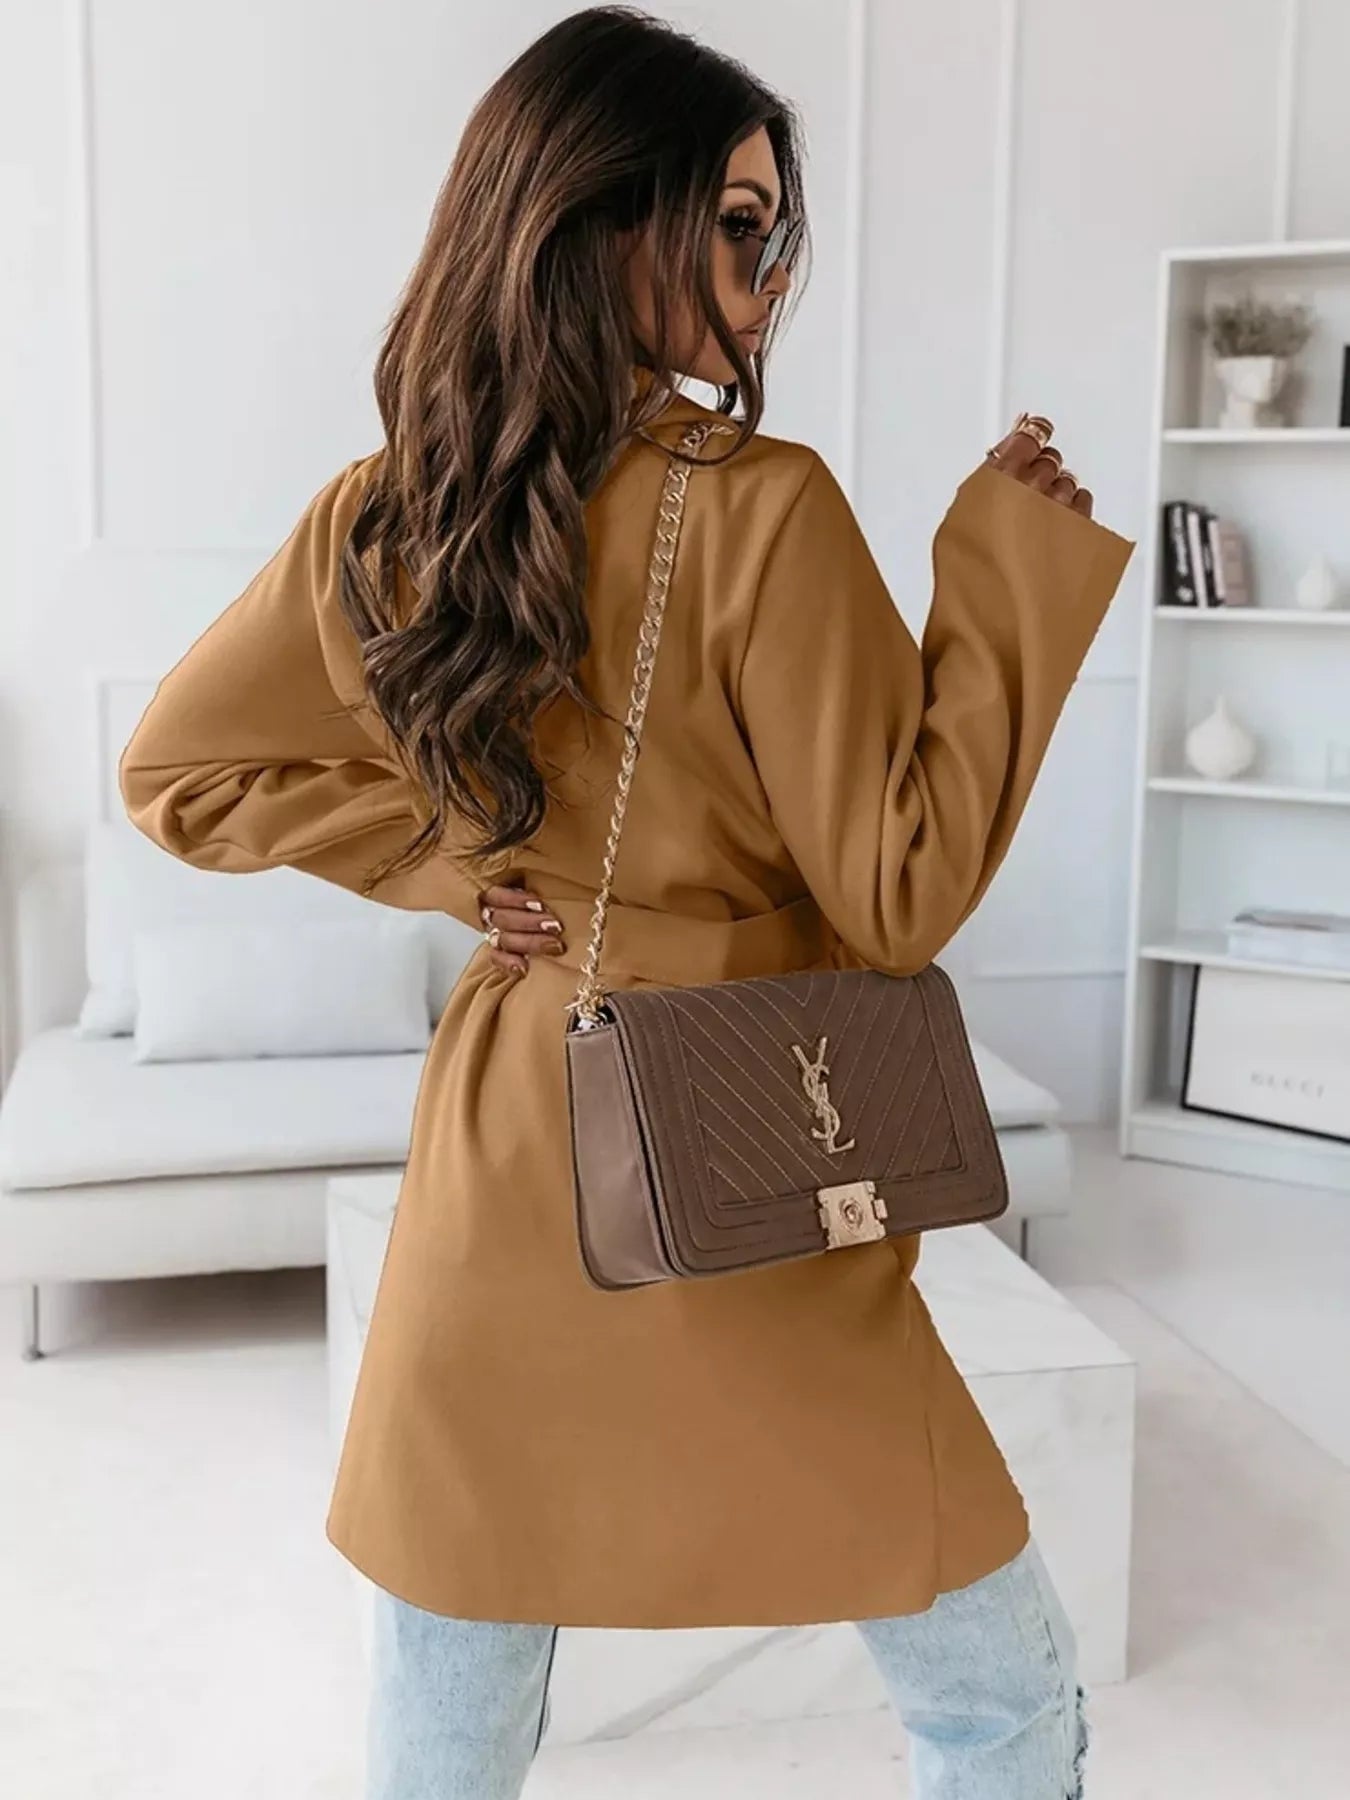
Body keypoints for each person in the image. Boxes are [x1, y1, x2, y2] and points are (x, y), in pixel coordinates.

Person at [118, 8, 1133, 1797]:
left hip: (516, 1152)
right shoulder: (759, 512)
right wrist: (1007, 579)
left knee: (450, 1697)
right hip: (737, 1149)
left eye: (775, 229)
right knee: (993, 1687)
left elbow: (180, 774)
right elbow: (898, 894)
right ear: (602, 221)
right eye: (734, 223)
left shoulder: (380, 518)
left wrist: (457, 872)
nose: (770, 269)